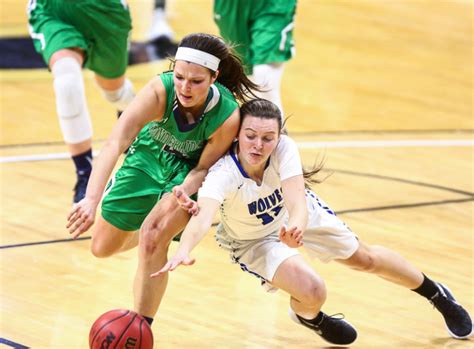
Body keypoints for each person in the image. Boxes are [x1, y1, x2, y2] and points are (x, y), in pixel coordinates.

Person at [154, 99, 473, 344]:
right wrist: (185, 249)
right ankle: (311, 318)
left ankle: (437, 295)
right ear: (237, 135)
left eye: (268, 138)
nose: (259, 145)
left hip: (296, 215)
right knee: (313, 290)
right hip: (252, 241)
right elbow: (204, 215)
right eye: (251, 136)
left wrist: (296, 225)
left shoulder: (284, 150)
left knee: (366, 259)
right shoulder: (223, 173)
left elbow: (296, 199)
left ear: (278, 136)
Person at [67, 33, 261, 326]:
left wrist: (185, 189)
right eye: (180, 77)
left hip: (188, 172)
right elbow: (116, 141)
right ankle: (147, 228)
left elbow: (202, 169)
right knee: (102, 247)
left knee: (153, 237)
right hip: (147, 156)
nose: (185, 87)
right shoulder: (160, 90)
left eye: (196, 81)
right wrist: (91, 199)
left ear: (214, 77)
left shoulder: (227, 115)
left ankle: (141, 328)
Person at [27, 0, 136, 203]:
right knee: (67, 84)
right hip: (55, 10)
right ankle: (85, 174)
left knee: (115, 92)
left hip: (106, 11)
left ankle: (129, 109)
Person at [213, 0, 296, 114]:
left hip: (272, 4)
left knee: (264, 74)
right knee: (241, 75)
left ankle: (278, 129)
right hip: (232, 4)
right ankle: (258, 128)